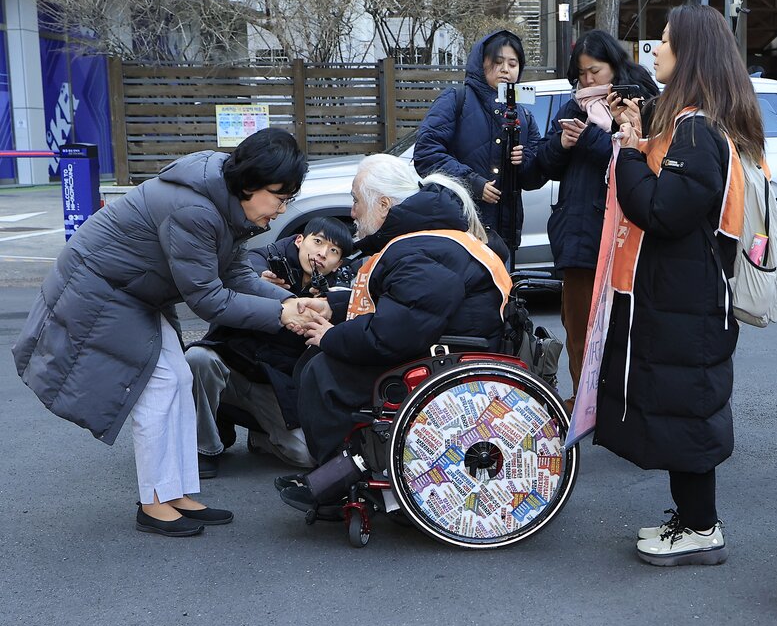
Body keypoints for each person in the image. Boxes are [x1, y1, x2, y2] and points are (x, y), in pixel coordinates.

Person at [11, 128, 322, 537]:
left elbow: (232, 273)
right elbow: (209, 299)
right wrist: (281, 314)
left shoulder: (222, 199)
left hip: (135, 291)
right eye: (280, 198)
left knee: (179, 377)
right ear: (249, 184)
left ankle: (177, 493)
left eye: (288, 200)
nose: (282, 210)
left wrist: (289, 303)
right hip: (102, 288)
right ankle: (154, 501)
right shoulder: (195, 210)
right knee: (158, 386)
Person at [600, 5, 765, 567]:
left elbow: (661, 210)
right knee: (682, 407)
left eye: (664, 42)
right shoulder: (700, 124)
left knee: (688, 411)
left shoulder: (696, 132)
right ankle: (693, 520)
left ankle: (701, 528)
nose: (655, 52)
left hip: (686, 301)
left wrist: (627, 148)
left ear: (690, 53)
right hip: (684, 297)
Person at [290, 155, 511, 477]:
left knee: (323, 374)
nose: (352, 212)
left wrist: (331, 336)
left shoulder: (414, 249)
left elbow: (395, 332)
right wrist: (334, 307)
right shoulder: (430, 235)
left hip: (443, 359)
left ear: (382, 204)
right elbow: (406, 303)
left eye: (355, 201)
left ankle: (337, 479)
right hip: (449, 345)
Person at [535, 30, 659, 414]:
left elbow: (641, 157)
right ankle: (585, 402)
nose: (588, 81)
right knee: (578, 326)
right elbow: (542, 166)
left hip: (627, 231)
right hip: (579, 232)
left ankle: (626, 403)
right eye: (582, 74)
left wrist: (589, 139)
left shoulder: (642, 100)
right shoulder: (573, 107)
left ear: (615, 66)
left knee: (628, 327)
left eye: (595, 71)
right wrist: (563, 144)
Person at [185, 217, 354, 475]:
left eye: (333, 251)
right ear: (300, 240)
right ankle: (204, 448)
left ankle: (260, 437)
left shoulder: (335, 293)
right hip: (231, 365)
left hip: (273, 383)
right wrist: (257, 280)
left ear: (339, 263)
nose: (321, 254)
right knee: (198, 358)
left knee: (307, 455)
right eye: (317, 242)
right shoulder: (271, 262)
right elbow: (245, 268)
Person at [414, 29, 546, 264]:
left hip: (503, 238)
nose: (505, 69)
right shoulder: (457, 99)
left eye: (512, 63)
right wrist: (473, 183)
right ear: (480, 63)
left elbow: (532, 179)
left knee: (499, 296)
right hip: (457, 228)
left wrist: (523, 161)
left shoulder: (524, 115)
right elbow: (426, 154)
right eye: (497, 62)